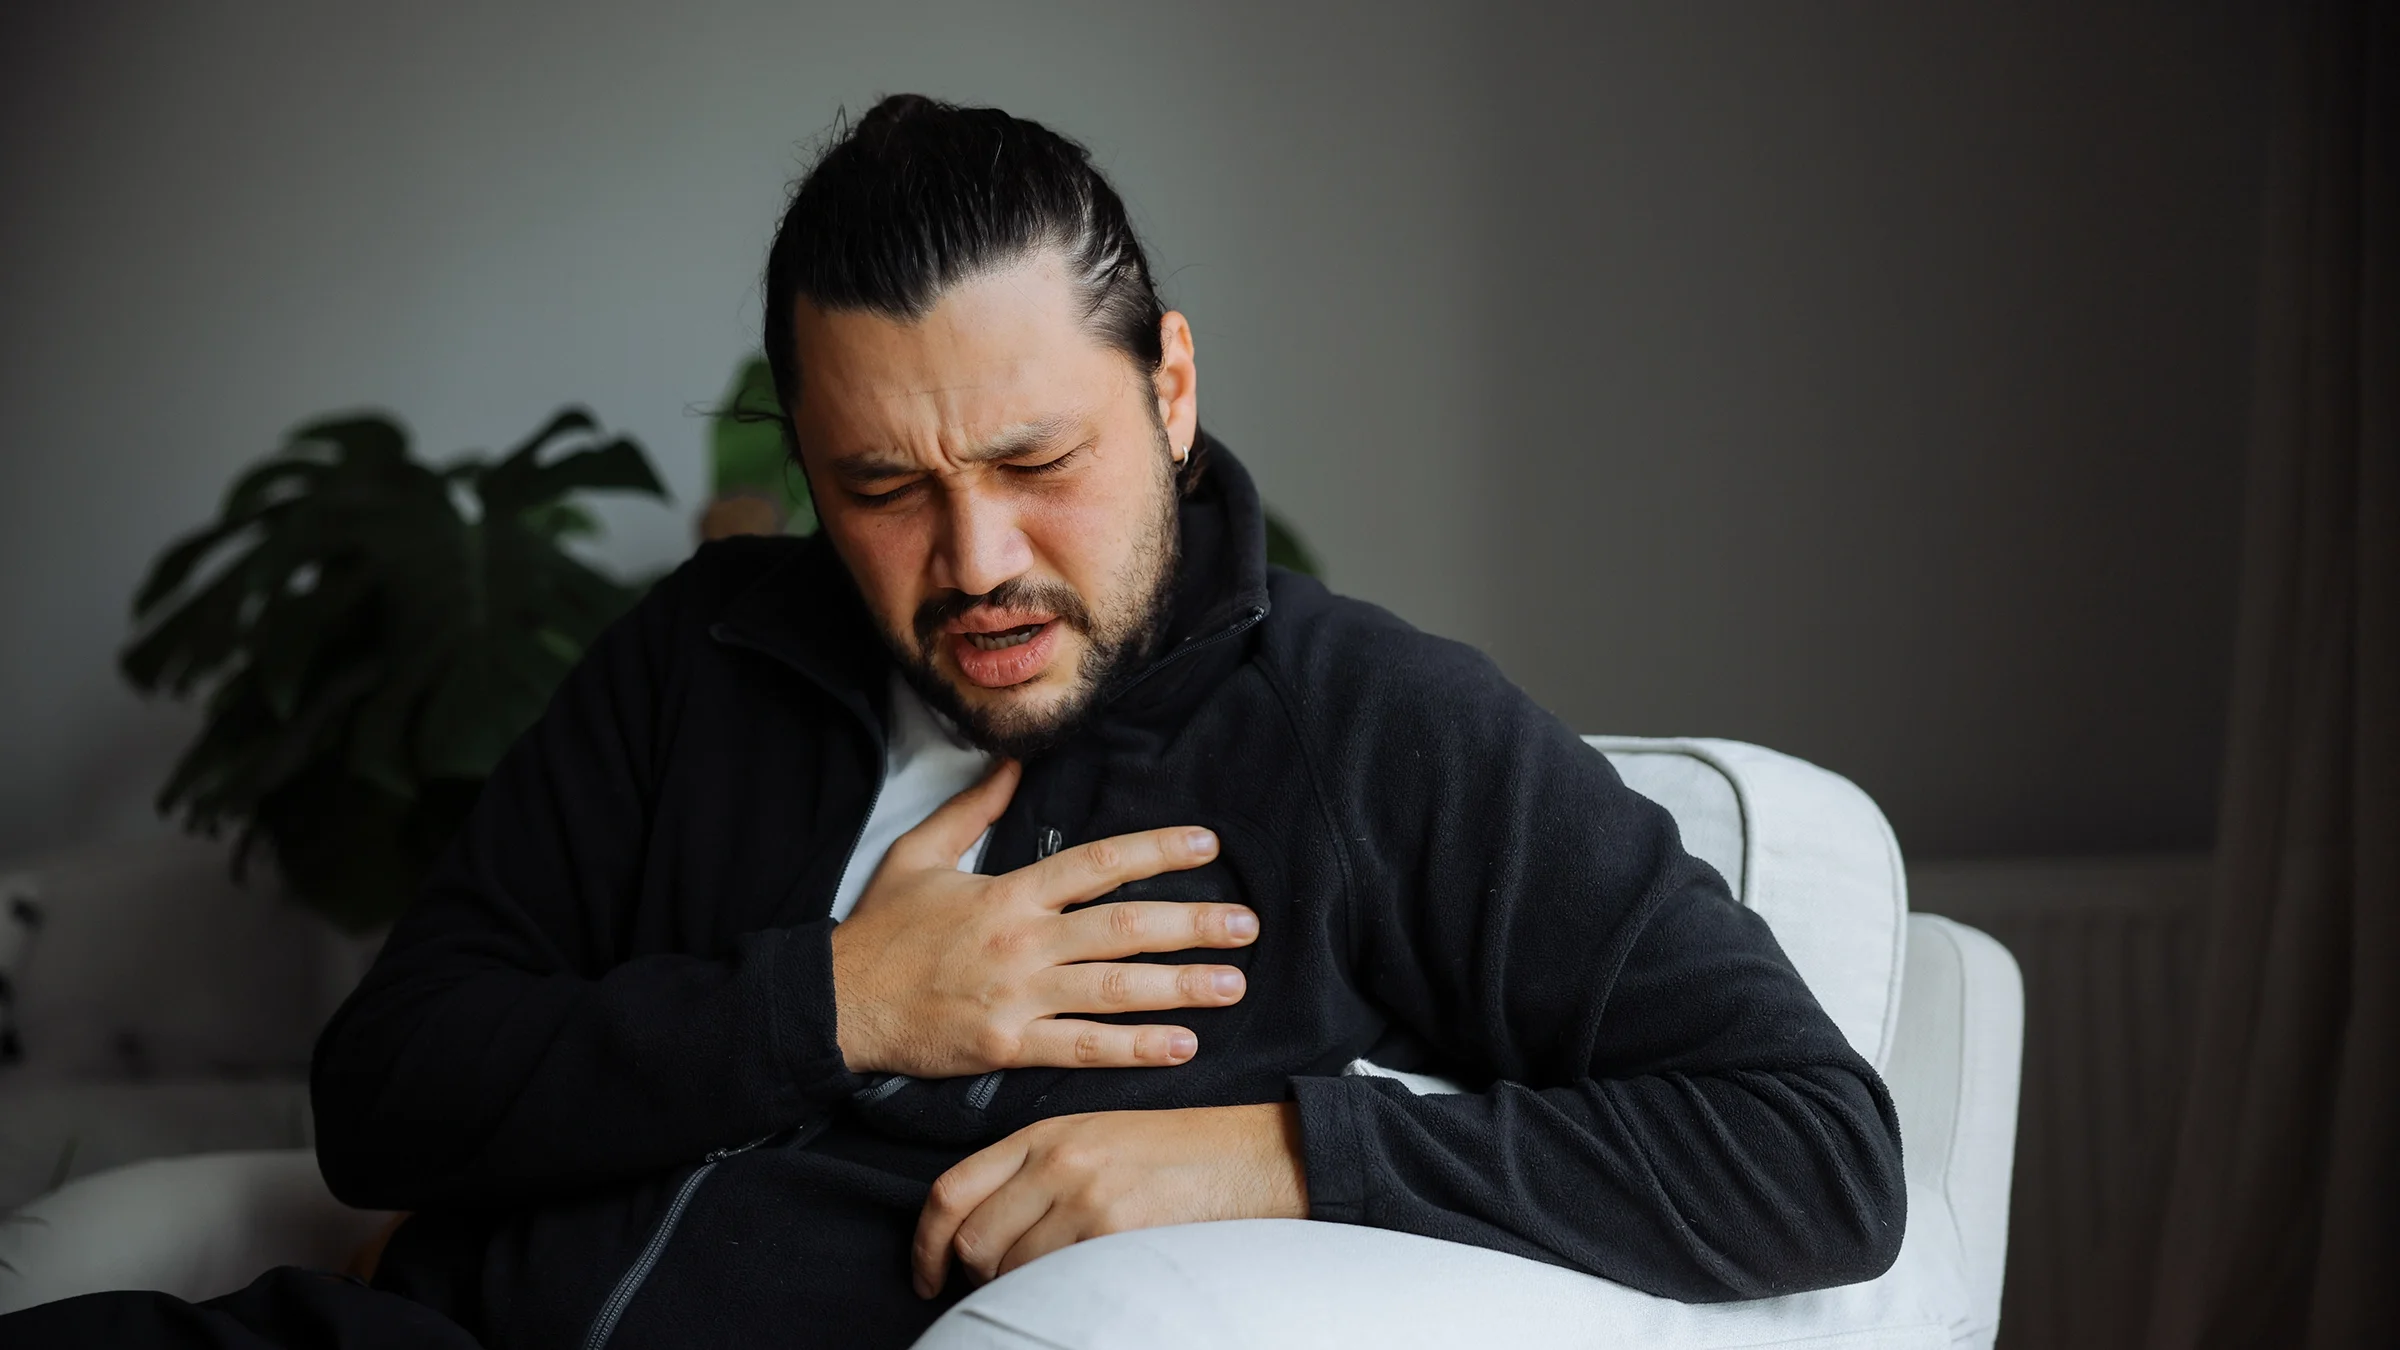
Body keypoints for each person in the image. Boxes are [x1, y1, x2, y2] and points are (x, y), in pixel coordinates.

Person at [1, 94, 1904, 1349]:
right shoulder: (699, 658)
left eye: (1034, 460)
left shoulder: (1371, 731)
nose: (976, 559)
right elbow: (384, 1094)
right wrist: (838, 1001)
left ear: (1168, 387)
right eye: (883, 486)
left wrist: (1275, 1153)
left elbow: (1816, 1148)